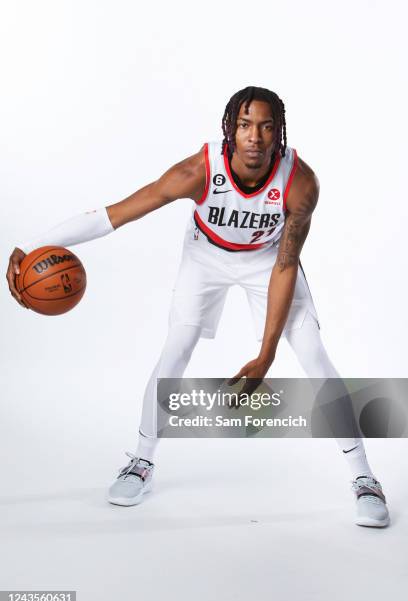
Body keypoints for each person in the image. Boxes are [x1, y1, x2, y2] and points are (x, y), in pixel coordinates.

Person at [7, 86, 389, 527]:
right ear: (229, 129)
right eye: (245, 125)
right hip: (205, 257)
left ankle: (364, 478)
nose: (255, 138)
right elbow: (113, 215)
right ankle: (141, 462)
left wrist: (265, 356)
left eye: (266, 127)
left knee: (314, 355)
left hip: (267, 259)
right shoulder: (198, 170)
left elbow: (286, 266)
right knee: (177, 347)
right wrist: (31, 246)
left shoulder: (300, 183)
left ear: (279, 133)